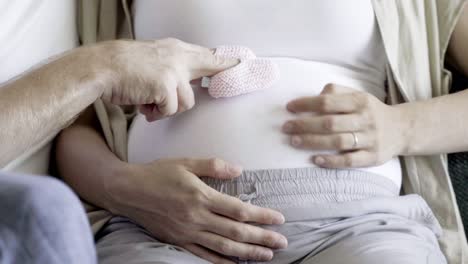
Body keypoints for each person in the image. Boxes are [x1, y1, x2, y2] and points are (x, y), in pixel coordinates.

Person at [55, 1, 468, 263]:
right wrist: (122, 188)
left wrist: (400, 127)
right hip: (162, 229)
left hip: (356, 226)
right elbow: (74, 123)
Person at [0, 1, 246, 263]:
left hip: (293, 227)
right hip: (144, 231)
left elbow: (79, 118)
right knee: (43, 210)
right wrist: (105, 64)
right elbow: (83, 123)